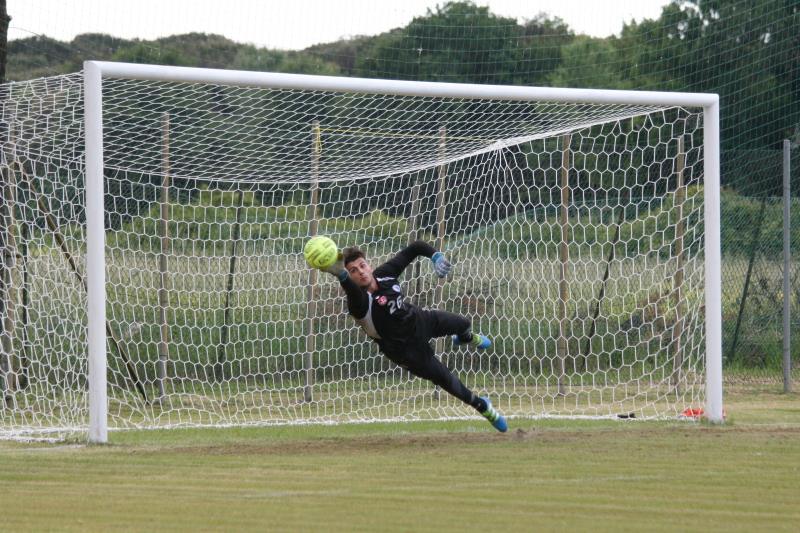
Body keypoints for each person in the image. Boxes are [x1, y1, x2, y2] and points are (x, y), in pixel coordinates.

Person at [317, 240, 507, 432]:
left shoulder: (385, 274)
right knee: (445, 378)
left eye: (362, 265)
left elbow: (415, 248)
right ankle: (484, 407)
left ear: (369, 265)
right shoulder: (358, 303)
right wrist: (341, 275)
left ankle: (465, 338)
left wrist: (436, 256)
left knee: (463, 323)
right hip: (405, 351)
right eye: (353, 271)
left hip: (419, 320)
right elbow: (352, 292)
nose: (360, 272)